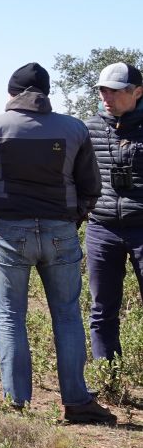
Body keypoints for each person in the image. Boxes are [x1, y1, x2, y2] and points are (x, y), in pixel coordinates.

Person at [0, 62, 114, 425]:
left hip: (8, 231)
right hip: (60, 230)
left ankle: (16, 404)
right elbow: (91, 186)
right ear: (46, 93)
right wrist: (72, 220)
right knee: (67, 315)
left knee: (10, 316)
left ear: (11, 93)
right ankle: (77, 401)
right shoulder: (74, 128)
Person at [82, 62, 143, 362]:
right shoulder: (88, 129)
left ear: (137, 92)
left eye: (115, 91)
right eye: (102, 90)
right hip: (102, 228)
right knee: (102, 310)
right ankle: (108, 377)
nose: (107, 97)